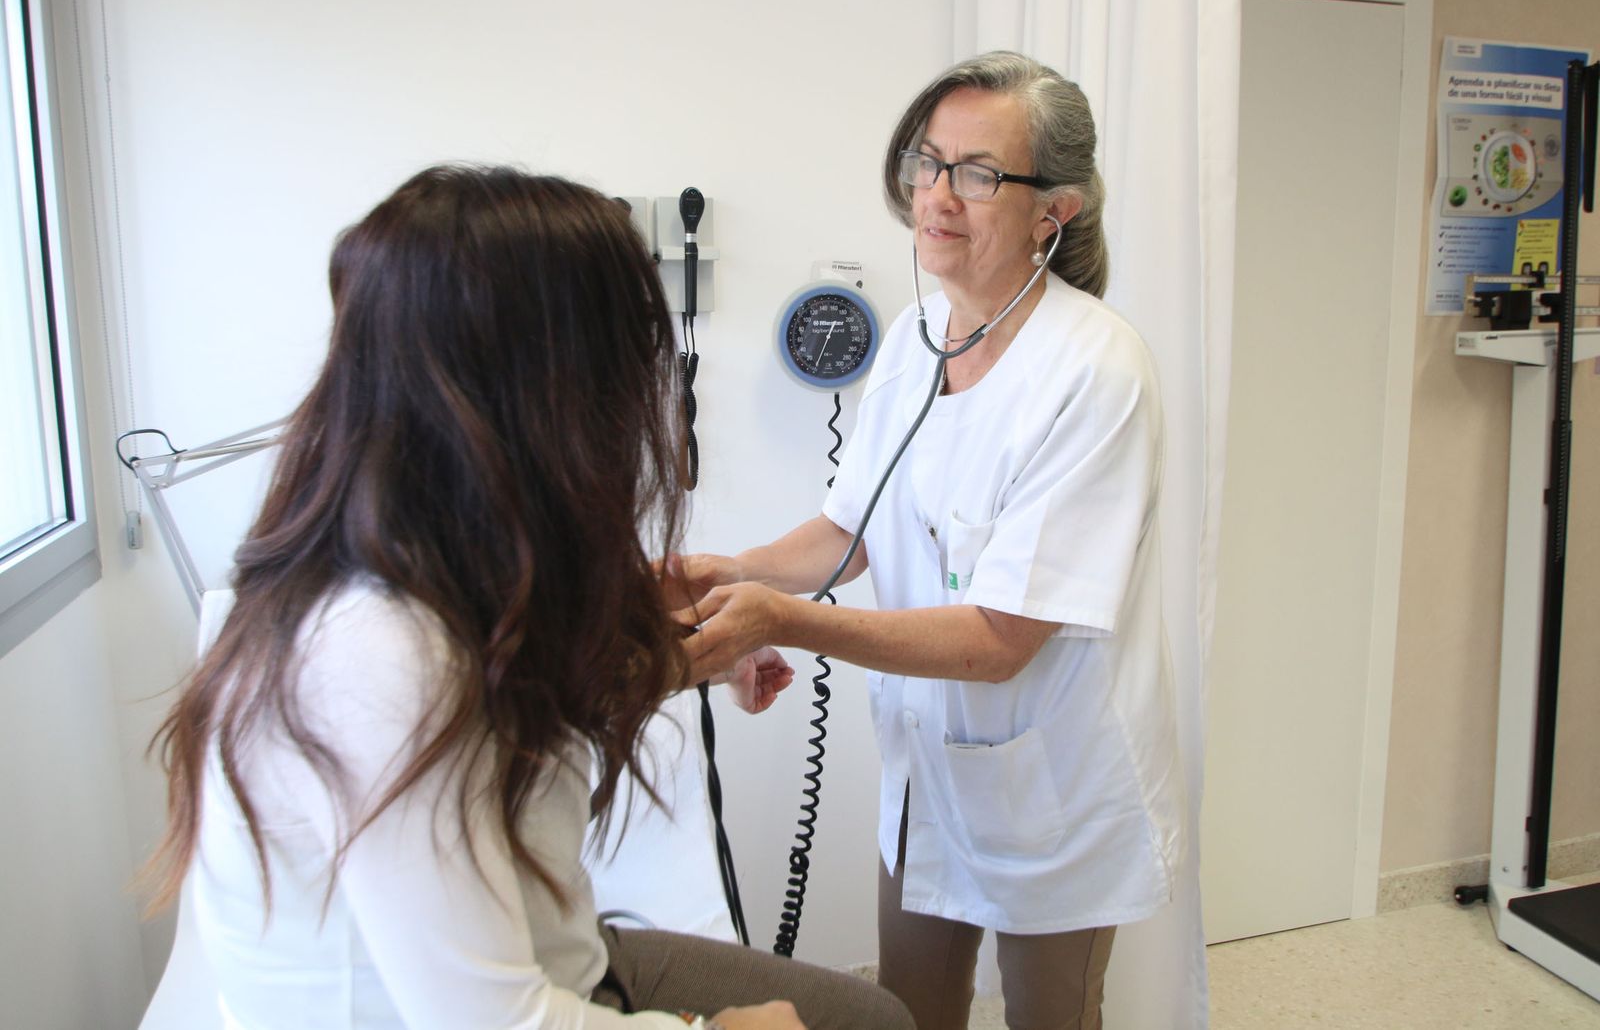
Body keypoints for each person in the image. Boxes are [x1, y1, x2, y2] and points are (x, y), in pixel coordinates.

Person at [141, 165, 914, 1030]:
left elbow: (513, 705)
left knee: (868, 1016)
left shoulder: (423, 557)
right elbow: (494, 1023)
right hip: (487, 1007)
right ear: (545, 391)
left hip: (562, 952)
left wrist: (687, 653)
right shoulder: (379, 653)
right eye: (626, 364)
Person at [670, 52, 1185, 1030]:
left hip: (1052, 786)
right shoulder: (914, 340)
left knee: (1053, 1018)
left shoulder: (1094, 371)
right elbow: (846, 531)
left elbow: (999, 640)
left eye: (979, 173)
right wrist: (724, 569)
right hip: (927, 774)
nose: (937, 195)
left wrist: (778, 619)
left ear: (1054, 211)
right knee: (905, 1012)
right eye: (927, 162)